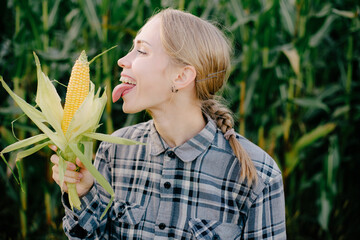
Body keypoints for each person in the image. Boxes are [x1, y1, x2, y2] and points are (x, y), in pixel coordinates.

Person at [51, 8, 286, 239]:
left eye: (141, 51)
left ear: (182, 76)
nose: (123, 60)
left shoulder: (259, 175)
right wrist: (82, 194)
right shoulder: (114, 152)